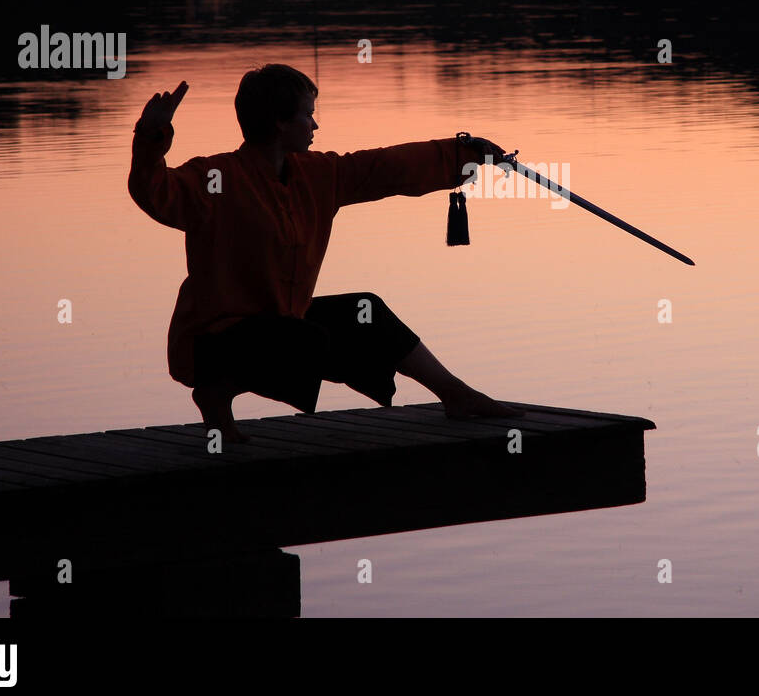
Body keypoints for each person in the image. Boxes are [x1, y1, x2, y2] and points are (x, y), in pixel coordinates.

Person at [128, 63, 523, 443]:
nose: (315, 125)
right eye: (308, 115)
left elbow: (384, 167)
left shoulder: (317, 175)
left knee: (365, 313)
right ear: (280, 122)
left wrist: (463, 154)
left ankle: (455, 393)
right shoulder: (214, 179)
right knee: (301, 340)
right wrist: (149, 135)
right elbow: (154, 191)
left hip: (284, 323)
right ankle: (215, 394)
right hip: (213, 340)